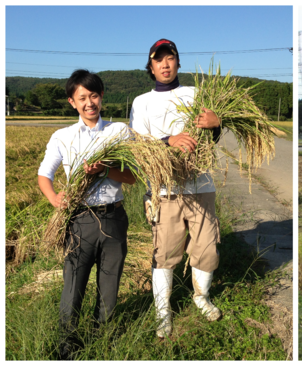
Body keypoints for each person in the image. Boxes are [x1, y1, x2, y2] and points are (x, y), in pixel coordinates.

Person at [38, 69, 135, 359]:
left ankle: (100, 339)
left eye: (94, 95)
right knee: (73, 285)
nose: (89, 102)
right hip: (80, 220)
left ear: (102, 96)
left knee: (109, 284)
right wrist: (55, 198)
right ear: (72, 102)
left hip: (113, 217)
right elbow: (45, 174)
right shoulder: (63, 137)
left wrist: (105, 170)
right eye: (82, 97)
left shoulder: (119, 131)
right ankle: (66, 346)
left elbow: (131, 177)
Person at [129, 39, 223, 338]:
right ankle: (162, 312)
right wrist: (168, 140)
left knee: (207, 249)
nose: (165, 64)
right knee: (165, 253)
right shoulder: (141, 102)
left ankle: (201, 297)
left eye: (170, 59)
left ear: (178, 63)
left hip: (201, 185)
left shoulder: (197, 95)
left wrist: (216, 123)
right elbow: (138, 147)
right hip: (164, 190)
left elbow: (213, 138)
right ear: (151, 67)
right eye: (159, 60)